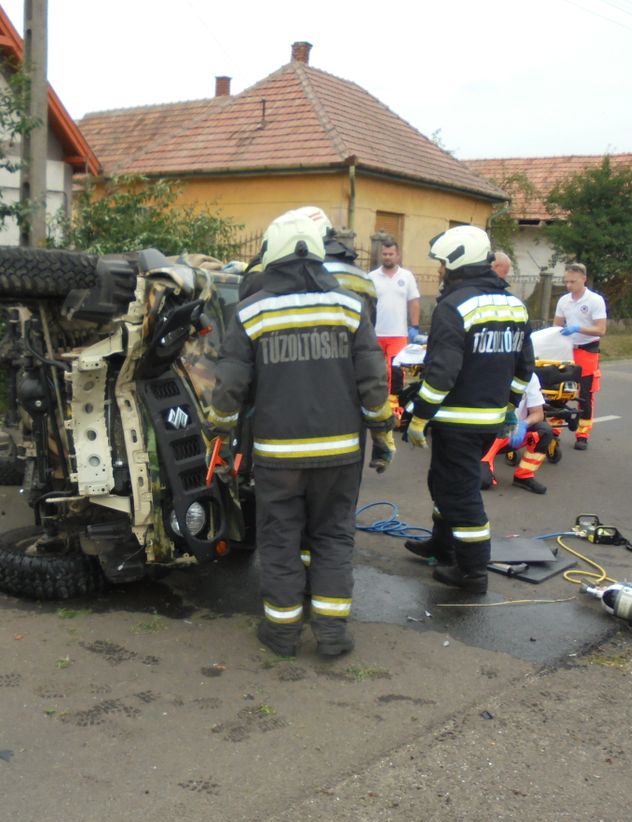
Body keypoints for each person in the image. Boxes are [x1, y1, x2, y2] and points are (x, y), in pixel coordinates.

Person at [207, 209, 393, 658]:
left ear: (273, 253)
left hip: (278, 455)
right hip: (341, 454)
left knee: (280, 538)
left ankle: (282, 632)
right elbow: (372, 380)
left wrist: (220, 428)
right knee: (332, 536)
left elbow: (231, 385)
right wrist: (382, 435)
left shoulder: (252, 310)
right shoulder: (350, 305)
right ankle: (331, 632)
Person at [402, 225, 534, 594]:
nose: (440, 270)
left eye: (442, 263)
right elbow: (525, 367)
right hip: (488, 421)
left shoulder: (453, 306)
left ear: (457, 262)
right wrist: (508, 408)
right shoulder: (514, 305)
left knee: (460, 494)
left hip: (456, 420)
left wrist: (419, 417)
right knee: (446, 484)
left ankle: (472, 572)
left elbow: (442, 373)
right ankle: (442, 546)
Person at [553, 263, 607, 450]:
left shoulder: (595, 300)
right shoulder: (564, 301)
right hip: (567, 350)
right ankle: (555, 429)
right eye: (566, 281)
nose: (569, 285)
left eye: (572, 281)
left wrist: (578, 328)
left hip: (587, 349)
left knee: (585, 393)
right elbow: (557, 326)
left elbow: (601, 329)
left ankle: (582, 433)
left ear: (583, 279)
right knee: (558, 390)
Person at [368, 236, 421, 414]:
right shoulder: (371, 277)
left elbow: (414, 302)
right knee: (374, 371)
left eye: (391, 254)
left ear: (397, 255)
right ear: (380, 255)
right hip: (375, 334)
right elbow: (366, 303)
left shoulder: (406, 277)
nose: (387, 257)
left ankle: (395, 408)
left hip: (398, 334)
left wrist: (415, 326)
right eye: (384, 254)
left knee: (396, 372)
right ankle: (373, 405)